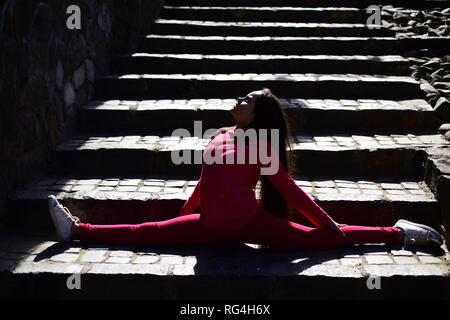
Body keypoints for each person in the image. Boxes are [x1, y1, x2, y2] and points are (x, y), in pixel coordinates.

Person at [48, 88, 443, 250]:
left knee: (320, 241)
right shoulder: (220, 134)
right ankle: (75, 230)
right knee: (148, 232)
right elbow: (205, 184)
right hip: (210, 224)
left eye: (248, 99)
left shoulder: (259, 145)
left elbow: (287, 188)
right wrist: (183, 218)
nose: (240, 98)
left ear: (257, 116)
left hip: (247, 223)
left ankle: (398, 233)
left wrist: (328, 222)